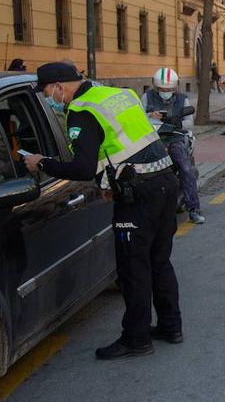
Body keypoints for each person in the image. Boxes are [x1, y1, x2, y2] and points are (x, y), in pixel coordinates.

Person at [22, 62, 184, 361]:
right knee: (159, 261)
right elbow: (123, 147)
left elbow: (82, 167)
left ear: (59, 86)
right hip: (164, 182)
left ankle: (136, 339)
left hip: (139, 196)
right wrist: (110, 180)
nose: (48, 97)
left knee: (134, 269)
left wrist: (41, 162)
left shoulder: (82, 111)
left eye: (46, 91)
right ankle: (171, 326)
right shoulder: (116, 94)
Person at [144, 68, 205, 225]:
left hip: (175, 138)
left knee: (185, 168)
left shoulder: (182, 100)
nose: (166, 92)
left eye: (169, 90)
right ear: (155, 87)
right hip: (153, 139)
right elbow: (138, 115)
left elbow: (189, 123)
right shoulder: (147, 97)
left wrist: (175, 122)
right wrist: (149, 115)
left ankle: (194, 209)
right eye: (162, 90)